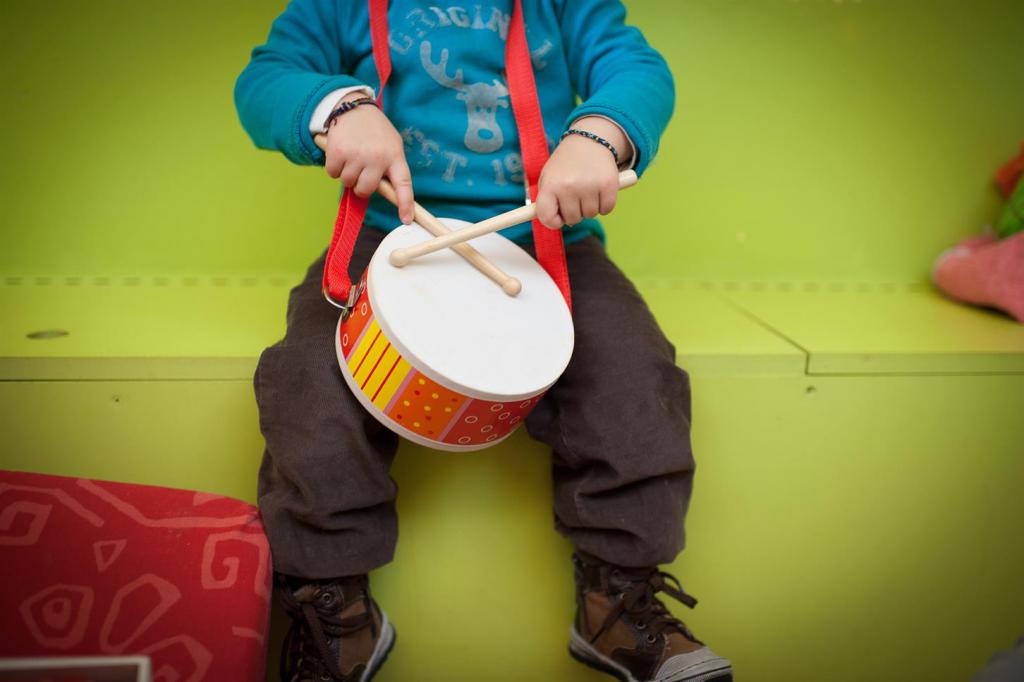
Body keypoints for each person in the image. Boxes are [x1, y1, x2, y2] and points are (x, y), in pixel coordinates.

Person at [235, 1, 733, 680]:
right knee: (307, 376)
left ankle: (614, 601)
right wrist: (338, 109)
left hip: (551, 246)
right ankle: (334, 608)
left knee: (634, 371)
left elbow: (637, 67)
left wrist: (599, 133)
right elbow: (265, 79)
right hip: (391, 240)